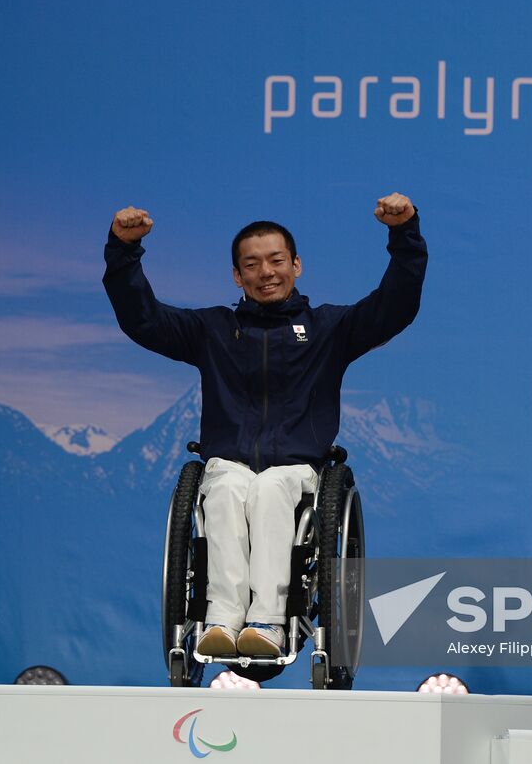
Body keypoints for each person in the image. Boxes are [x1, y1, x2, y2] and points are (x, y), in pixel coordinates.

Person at [104, 194, 426, 657]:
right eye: (251, 265)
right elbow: (143, 318)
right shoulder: (212, 330)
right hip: (228, 461)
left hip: (297, 469)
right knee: (228, 486)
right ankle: (221, 618)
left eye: (276, 260)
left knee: (272, 487)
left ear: (296, 265)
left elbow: (395, 306)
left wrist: (405, 234)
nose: (265, 272)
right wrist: (123, 249)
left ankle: (269, 622)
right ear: (237, 276)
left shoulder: (328, 328)